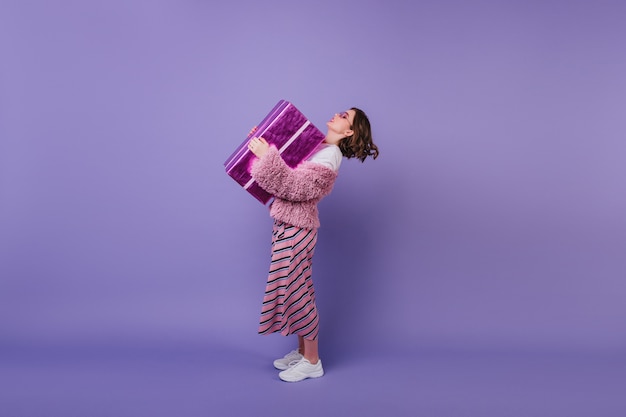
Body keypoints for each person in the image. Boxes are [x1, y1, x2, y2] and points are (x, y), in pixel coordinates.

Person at [247, 107, 379, 382]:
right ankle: (301, 351)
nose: (338, 114)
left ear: (349, 132)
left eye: (345, 116)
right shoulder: (317, 145)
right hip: (288, 224)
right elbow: (281, 168)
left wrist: (266, 156)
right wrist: (263, 144)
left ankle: (312, 360)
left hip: (298, 229)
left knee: (298, 293)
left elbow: (293, 186)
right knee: (297, 289)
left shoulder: (331, 155)